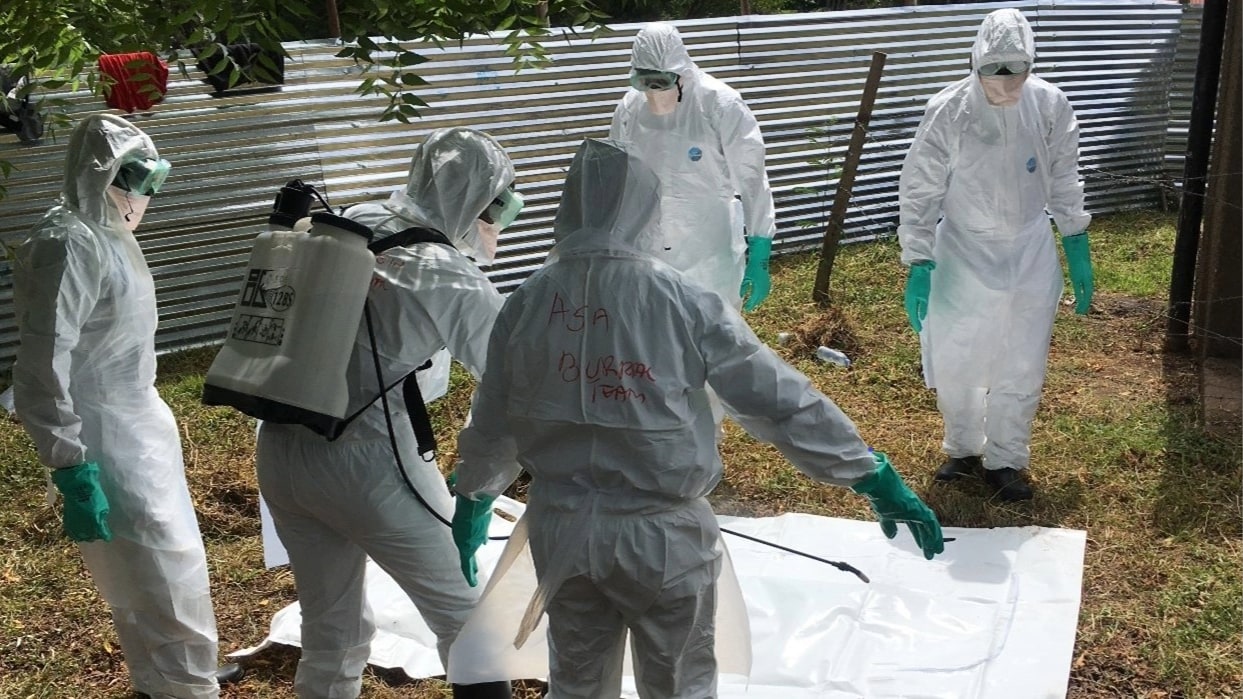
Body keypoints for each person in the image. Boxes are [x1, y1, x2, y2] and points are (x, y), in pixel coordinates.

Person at [450, 138, 944, 698]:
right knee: (679, 682)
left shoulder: (529, 299)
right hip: (660, 538)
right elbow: (775, 399)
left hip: (562, 525)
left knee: (577, 680)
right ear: (644, 211)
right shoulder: (677, 297)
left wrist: (474, 495)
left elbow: (493, 416)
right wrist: (867, 473)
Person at [253, 127, 519, 699]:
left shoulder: (349, 220)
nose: (503, 223)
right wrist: (477, 491)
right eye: (504, 207)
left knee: (330, 626)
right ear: (479, 204)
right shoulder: (444, 271)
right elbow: (515, 385)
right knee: (470, 624)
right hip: (369, 464)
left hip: (279, 447)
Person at [8, 113, 241, 698]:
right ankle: (184, 685)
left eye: (153, 179)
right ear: (102, 173)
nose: (145, 194)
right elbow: (42, 362)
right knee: (156, 564)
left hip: (138, 419)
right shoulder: (67, 242)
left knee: (162, 559)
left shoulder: (109, 236)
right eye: (136, 178)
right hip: (102, 433)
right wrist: (69, 461)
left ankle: (175, 676)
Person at [897, 8, 1094, 502]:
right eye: (993, 69)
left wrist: (1076, 241)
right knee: (958, 352)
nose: (1005, 81)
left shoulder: (1049, 105)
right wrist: (919, 260)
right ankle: (962, 449)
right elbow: (920, 188)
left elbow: (1065, 175)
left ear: (1032, 64)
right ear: (974, 62)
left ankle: (1006, 458)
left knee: (1020, 358)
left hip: (1029, 250)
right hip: (963, 251)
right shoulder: (949, 109)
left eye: (1016, 69)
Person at [609, 21, 776, 312]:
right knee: (658, 323)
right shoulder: (630, 107)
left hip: (710, 240)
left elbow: (751, 177)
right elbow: (614, 173)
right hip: (649, 240)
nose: (653, 92)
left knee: (716, 324)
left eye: (660, 81)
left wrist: (761, 245)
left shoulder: (719, 103)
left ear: (680, 71)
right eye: (645, 82)